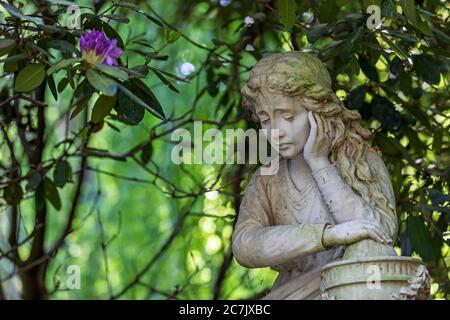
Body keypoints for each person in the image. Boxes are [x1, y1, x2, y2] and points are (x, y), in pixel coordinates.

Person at [232, 51, 398, 300]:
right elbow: (244, 245)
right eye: (265, 120)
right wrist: (326, 235)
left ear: (318, 111)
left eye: (287, 117)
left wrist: (319, 163)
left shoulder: (362, 162)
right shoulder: (268, 178)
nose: (275, 131)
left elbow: (377, 234)